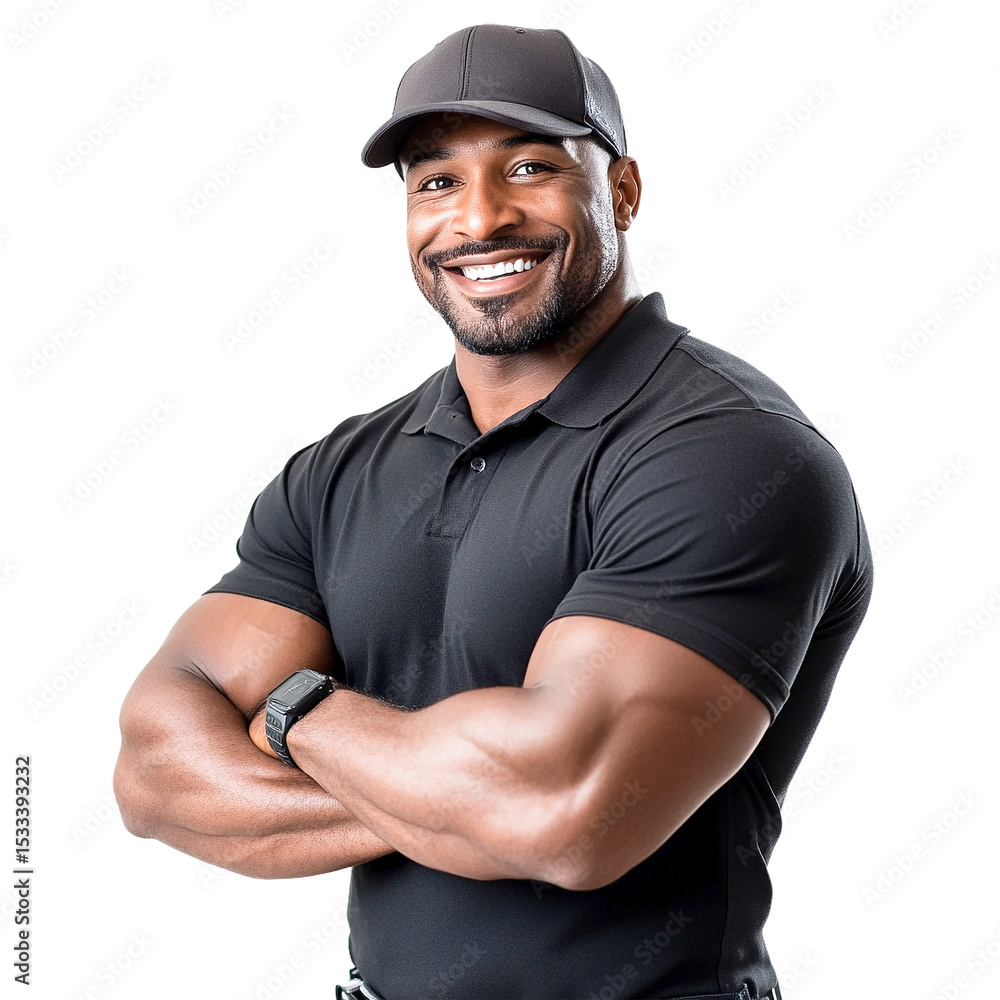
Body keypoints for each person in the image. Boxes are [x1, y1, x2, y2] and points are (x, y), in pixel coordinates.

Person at [114, 23, 872, 1000]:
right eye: (437, 181)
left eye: (528, 168)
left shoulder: (730, 452)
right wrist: (463, 801)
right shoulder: (338, 471)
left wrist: (295, 709)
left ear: (623, 191)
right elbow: (154, 773)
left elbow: (564, 812)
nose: (478, 218)